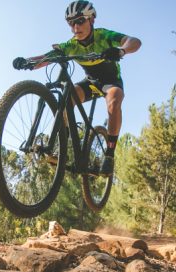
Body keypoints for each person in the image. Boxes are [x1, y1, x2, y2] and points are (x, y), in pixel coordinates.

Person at [13, 0, 141, 176]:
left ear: (91, 20)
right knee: (67, 100)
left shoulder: (103, 35)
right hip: (90, 82)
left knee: (114, 99)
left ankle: (109, 155)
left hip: (111, 82)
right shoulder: (71, 45)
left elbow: (134, 41)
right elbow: (47, 57)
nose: (75, 27)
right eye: (71, 23)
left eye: (80, 21)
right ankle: (61, 148)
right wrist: (28, 62)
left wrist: (121, 51)